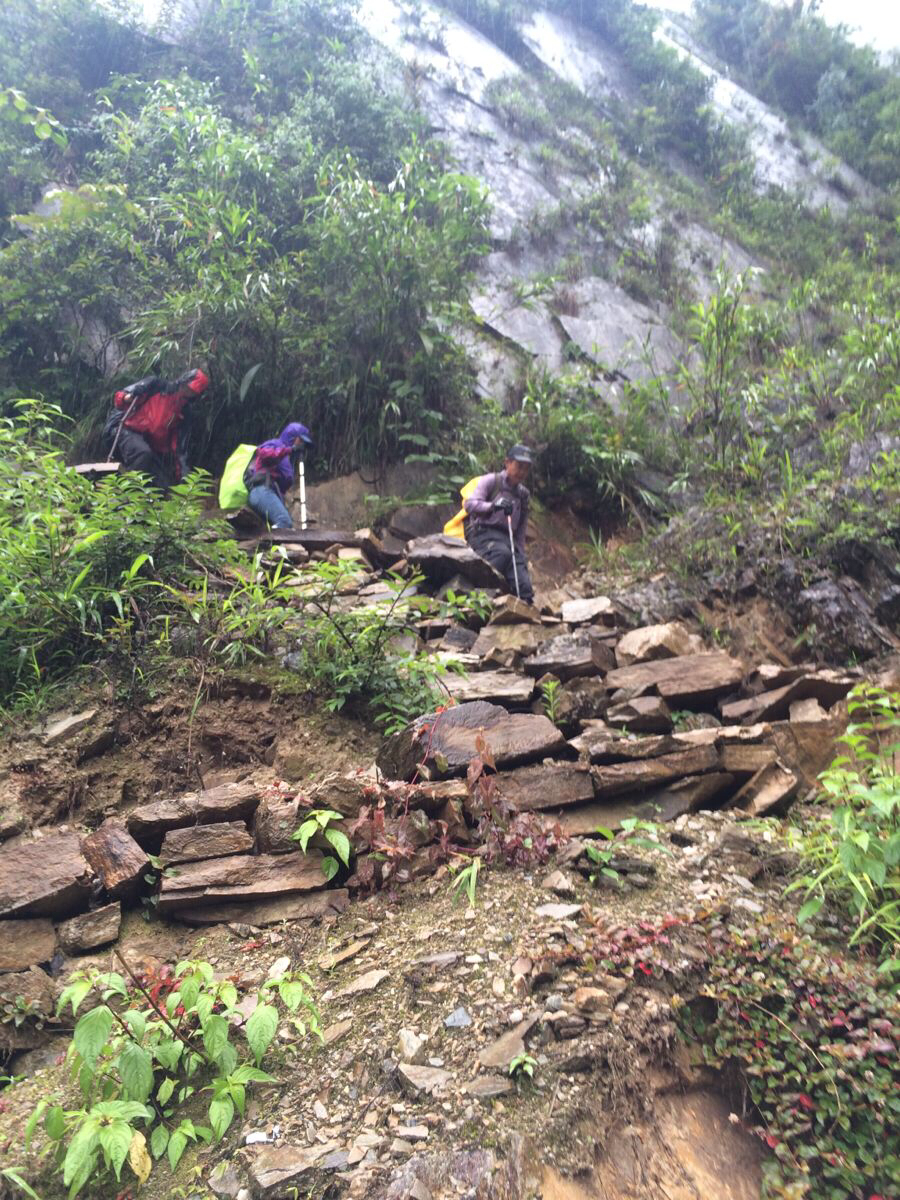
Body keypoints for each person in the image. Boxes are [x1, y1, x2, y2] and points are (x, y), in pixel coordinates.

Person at [103, 368, 210, 489]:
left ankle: (144, 500)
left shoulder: (184, 412)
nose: (187, 392)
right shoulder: (156, 386)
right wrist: (130, 396)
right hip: (123, 430)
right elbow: (119, 399)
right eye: (187, 387)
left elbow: (180, 450)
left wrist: (185, 479)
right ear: (183, 381)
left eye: (192, 392)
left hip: (147, 444)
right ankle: (126, 492)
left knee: (163, 486)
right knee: (143, 453)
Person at [463, 443, 535, 605]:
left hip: (507, 541)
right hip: (482, 534)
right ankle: (477, 595)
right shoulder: (491, 481)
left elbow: (521, 529)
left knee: (523, 581)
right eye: (519, 466)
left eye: (526, 468)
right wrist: (493, 506)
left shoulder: (523, 495)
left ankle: (525, 613)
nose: (522, 472)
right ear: (507, 462)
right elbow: (469, 505)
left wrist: (521, 553)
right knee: (502, 555)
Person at [244, 422, 313, 530]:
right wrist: (289, 449)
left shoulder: (289, 460)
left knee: (284, 525)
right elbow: (264, 453)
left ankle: (267, 546)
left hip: (270, 494)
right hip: (261, 491)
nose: (302, 445)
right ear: (292, 437)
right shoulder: (275, 444)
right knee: (284, 521)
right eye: (301, 441)